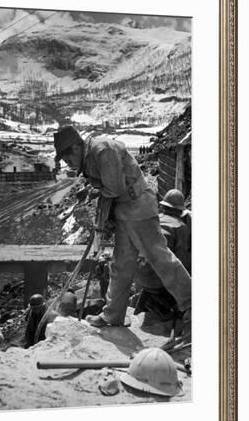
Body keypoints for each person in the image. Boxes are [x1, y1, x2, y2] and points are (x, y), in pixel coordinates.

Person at [53, 125, 191, 337]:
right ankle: (112, 315)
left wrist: (92, 191)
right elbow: (109, 188)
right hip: (126, 212)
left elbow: (114, 188)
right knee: (121, 266)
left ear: (76, 149)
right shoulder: (90, 155)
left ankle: (191, 304)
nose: (69, 165)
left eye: (68, 160)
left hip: (139, 209)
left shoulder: (102, 150)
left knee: (159, 258)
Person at [134, 189, 191, 322]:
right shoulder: (180, 227)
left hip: (138, 275)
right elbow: (182, 262)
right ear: (179, 211)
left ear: (163, 206)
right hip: (158, 282)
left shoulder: (152, 220)